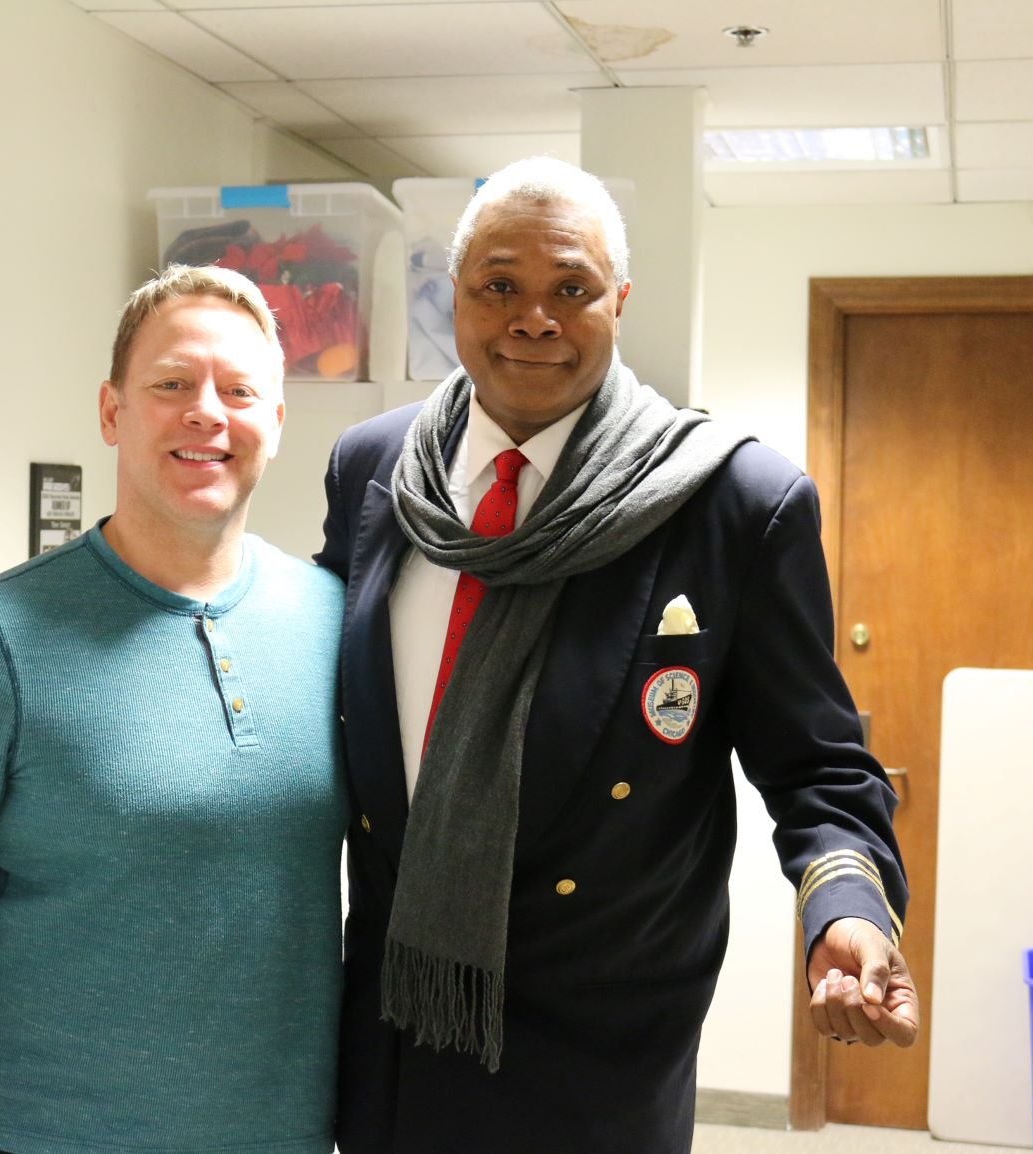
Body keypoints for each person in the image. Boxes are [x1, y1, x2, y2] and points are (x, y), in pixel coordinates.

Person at [316, 157, 918, 1154]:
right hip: (392, 1016)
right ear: (454, 297)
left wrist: (846, 906)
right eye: (497, 285)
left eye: (570, 287)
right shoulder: (376, 467)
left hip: (598, 1044)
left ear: (619, 300)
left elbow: (817, 761)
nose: (533, 317)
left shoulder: (732, 502)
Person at [0, 264, 347, 1154]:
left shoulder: (336, 619)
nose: (206, 412)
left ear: (278, 422)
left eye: (239, 390)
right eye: (171, 385)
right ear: (112, 412)